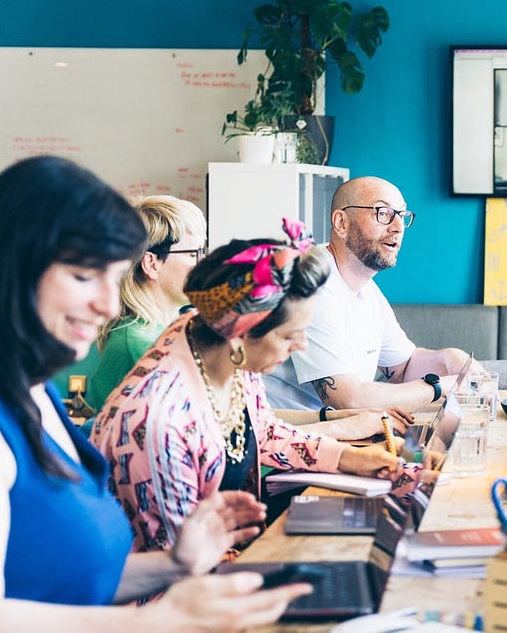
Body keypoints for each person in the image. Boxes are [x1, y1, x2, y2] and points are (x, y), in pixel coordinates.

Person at [0, 156, 306, 629]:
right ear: (14, 265)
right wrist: (161, 619)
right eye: (83, 275)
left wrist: (176, 564)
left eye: (114, 278)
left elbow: (68, 580)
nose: (108, 304)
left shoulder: (31, 390)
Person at [91, 220, 403, 553]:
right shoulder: (158, 424)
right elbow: (175, 564)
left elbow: (264, 431)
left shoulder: (220, 346)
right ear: (240, 338)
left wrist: (348, 457)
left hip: (231, 553)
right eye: (288, 336)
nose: (300, 346)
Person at [265, 176, 483, 413]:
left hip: (341, 433)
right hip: (291, 437)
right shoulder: (314, 282)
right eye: (383, 213)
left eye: (402, 216)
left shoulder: (368, 292)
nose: (398, 227)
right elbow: (347, 401)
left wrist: (449, 358)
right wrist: (439, 387)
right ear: (341, 223)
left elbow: (403, 368)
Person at [88, 195, 207, 412]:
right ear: (152, 264)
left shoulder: (160, 331)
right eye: (194, 254)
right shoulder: (141, 343)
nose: (203, 263)